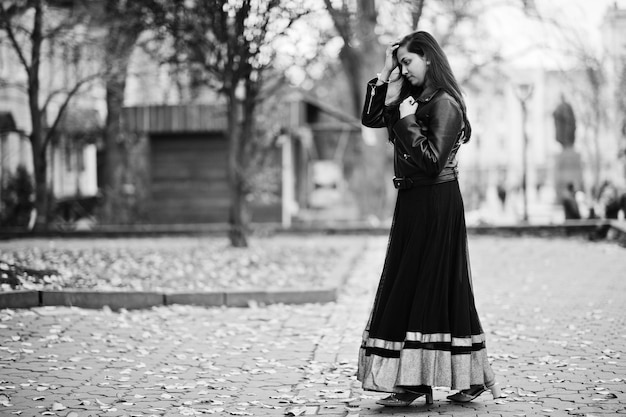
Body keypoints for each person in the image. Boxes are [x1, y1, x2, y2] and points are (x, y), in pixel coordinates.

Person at [357, 31, 500, 407]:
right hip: (412, 202)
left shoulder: (445, 103)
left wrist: (406, 121)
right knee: (415, 285)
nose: (404, 68)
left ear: (429, 59)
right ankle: (421, 380)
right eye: (400, 62)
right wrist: (387, 73)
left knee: (434, 287)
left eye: (408, 61)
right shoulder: (411, 100)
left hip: (436, 202)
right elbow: (372, 118)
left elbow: (433, 160)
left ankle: (440, 380)